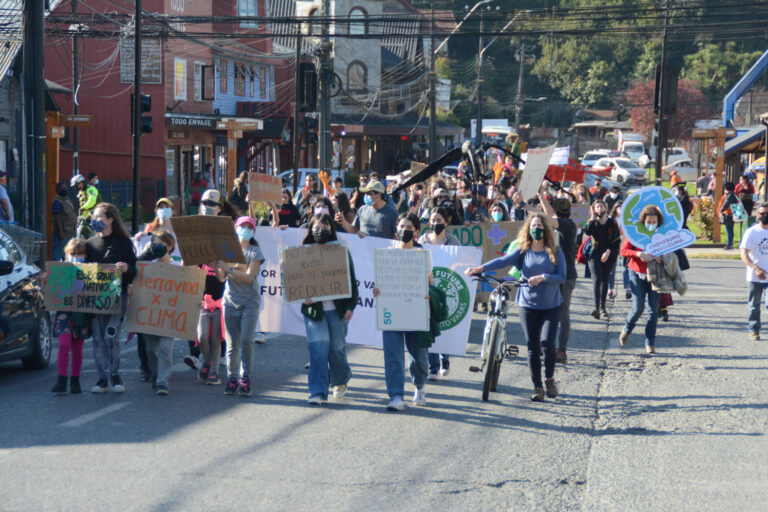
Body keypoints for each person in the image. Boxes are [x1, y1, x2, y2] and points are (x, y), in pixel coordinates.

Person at [466, 213, 567, 401]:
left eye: (540, 225)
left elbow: (562, 276)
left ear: (546, 229)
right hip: (527, 305)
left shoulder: (555, 251)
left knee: (547, 345)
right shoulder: (523, 251)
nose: (536, 229)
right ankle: (537, 387)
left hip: (551, 305)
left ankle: (549, 378)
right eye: (533, 225)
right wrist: (480, 269)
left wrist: (544, 277)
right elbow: (502, 261)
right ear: (528, 229)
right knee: (532, 346)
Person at [372, 213, 431, 411]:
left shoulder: (423, 255)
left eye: (408, 227)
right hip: (392, 310)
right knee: (393, 355)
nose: (403, 230)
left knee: (418, 356)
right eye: (401, 225)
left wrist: (427, 293)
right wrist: (377, 290)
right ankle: (396, 395)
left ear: (416, 232)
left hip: (415, 310)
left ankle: (420, 385)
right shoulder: (386, 253)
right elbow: (379, 281)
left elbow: (430, 283)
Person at [300, 215, 358, 404]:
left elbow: (351, 280)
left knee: (336, 349)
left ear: (331, 230)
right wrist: (302, 295)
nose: (320, 231)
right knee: (318, 347)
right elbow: (294, 283)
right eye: (316, 227)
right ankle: (317, 392)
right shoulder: (301, 254)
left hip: (337, 309)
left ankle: (340, 380)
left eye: (324, 227)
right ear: (310, 230)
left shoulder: (341, 252)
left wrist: (350, 306)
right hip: (314, 311)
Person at [85, 203, 136, 393]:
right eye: (94, 217)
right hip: (95, 299)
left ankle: (115, 374)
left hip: (117, 297)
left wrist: (127, 269)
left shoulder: (122, 243)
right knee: (98, 339)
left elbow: (134, 269)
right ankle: (102, 378)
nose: (95, 221)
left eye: (99, 217)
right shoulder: (90, 244)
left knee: (111, 335)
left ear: (110, 219)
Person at [218, 216, 265, 396]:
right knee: (232, 344)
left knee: (246, 340)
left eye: (248, 227)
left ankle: (245, 377)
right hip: (230, 301)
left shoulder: (255, 252)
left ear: (253, 231)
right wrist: (217, 266)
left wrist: (228, 269)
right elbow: (221, 278)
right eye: (241, 226)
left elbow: (248, 277)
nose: (244, 230)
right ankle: (232, 377)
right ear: (235, 229)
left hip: (249, 303)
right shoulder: (226, 250)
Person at [418, 207, 459, 379]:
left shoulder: (452, 241)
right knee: (430, 322)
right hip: (427, 286)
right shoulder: (423, 240)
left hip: (446, 285)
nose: (435, 224)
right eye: (433, 220)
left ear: (446, 223)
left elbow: (459, 261)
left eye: (439, 221)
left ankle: (445, 357)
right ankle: (433, 367)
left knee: (443, 321)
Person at [136, 230, 178, 395]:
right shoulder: (147, 266)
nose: (157, 247)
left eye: (161, 244)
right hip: (150, 315)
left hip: (169, 316)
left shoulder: (178, 267)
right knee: (150, 349)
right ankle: (155, 374)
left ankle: (162, 381)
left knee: (165, 348)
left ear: (170, 246)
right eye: (154, 244)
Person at [538, 193, 578, 364]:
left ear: (558, 212)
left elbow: (548, 218)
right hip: (556, 275)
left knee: (563, 314)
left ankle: (562, 350)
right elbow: (549, 214)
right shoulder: (563, 223)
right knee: (547, 310)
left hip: (566, 276)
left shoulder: (568, 225)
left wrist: (528, 208)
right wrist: (540, 194)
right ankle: (548, 346)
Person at [619, 205, 663, 354]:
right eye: (648, 221)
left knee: (654, 311)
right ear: (643, 221)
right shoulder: (635, 233)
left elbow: (670, 256)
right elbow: (623, 251)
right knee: (638, 308)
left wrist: (660, 259)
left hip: (655, 275)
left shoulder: (663, 234)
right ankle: (627, 328)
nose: (651, 224)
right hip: (636, 272)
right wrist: (639, 255)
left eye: (654, 221)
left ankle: (650, 343)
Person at [50, 239, 91, 394]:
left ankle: (75, 380)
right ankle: (61, 379)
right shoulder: (59, 270)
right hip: (64, 312)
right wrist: (47, 280)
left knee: (77, 347)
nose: (76, 257)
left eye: (80, 254)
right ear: (67, 254)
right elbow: (52, 291)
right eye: (73, 254)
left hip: (81, 312)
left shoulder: (91, 270)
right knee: (63, 344)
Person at [585, 199, 621, 319]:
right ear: (594, 210)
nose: (599, 208)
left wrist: (608, 251)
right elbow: (588, 232)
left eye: (601, 206)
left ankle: (603, 307)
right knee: (597, 280)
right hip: (594, 254)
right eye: (597, 207)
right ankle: (596, 308)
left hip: (609, 254)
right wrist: (592, 218)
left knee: (605, 280)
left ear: (605, 208)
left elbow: (617, 240)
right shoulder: (593, 222)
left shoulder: (612, 222)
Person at [741, 202, 768, 341]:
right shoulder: (751, 232)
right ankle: (753, 330)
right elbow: (744, 254)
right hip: (754, 276)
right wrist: (755, 268)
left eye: (767, 214)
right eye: (762, 214)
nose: (765, 216)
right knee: (754, 306)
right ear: (757, 216)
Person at [51, 181, 76, 261]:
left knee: (66, 253)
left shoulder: (67, 200)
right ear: (58, 190)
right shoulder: (57, 202)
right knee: (57, 253)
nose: (65, 190)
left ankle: (65, 271)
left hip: (70, 232)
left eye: (66, 188)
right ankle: (54, 270)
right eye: (63, 188)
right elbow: (57, 218)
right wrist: (61, 232)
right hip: (62, 234)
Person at [718, 181, 739, 250]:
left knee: (729, 230)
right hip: (730, 213)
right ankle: (730, 243)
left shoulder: (730, 194)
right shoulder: (731, 194)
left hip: (729, 214)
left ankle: (729, 244)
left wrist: (721, 210)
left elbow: (726, 203)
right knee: (729, 229)